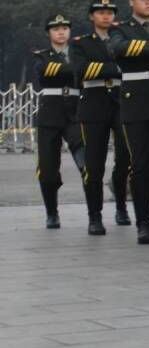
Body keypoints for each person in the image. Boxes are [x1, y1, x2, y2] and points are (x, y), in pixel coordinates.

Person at [106, 0, 149, 244]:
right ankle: (144, 222)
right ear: (131, 1)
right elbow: (119, 49)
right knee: (140, 165)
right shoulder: (120, 28)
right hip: (136, 101)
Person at [69, 0, 125, 235]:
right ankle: (95, 216)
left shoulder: (122, 38)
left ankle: (122, 207)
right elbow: (82, 70)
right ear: (92, 16)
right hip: (94, 104)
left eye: (110, 12)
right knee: (94, 164)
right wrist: (118, 68)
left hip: (122, 102)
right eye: (101, 12)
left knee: (125, 160)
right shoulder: (80, 43)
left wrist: (104, 69)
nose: (106, 16)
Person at [32, 14, 87, 229]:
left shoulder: (79, 53)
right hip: (50, 114)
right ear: (49, 33)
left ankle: (94, 214)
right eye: (56, 29)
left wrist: (70, 70)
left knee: (87, 164)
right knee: (48, 171)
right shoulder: (41, 56)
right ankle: (51, 212)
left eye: (64, 28)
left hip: (76, 113)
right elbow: (44, 72)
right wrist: (77, 69)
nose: (61, 32)